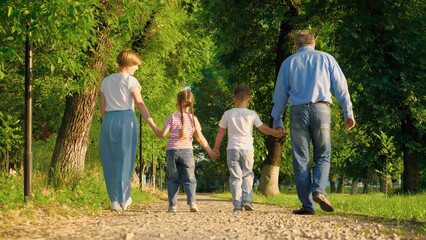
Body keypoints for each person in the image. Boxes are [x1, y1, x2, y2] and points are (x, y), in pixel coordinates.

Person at [271, 30, 356, 215]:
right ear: (314, 43)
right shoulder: (327, 59)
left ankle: (308, 206)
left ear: (296, 46)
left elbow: (280, 94)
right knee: (323, 155)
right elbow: (341, 87)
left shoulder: (288, 63)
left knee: (301, 160)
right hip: (321, 110)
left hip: (297, 112)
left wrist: (277, 119)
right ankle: (319, 190)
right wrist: (348, 112)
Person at [99, 48, 159, 212]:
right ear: (128, 64)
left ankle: (114, 200)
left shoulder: (106, 81)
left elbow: (102, 109)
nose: (137, 68)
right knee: (125, 158)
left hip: (109, 120)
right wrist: (153, 126)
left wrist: (108, 123)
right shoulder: (131, 81)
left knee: (110, 159)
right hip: (126, 119)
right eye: (136, 65)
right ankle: (124, 198)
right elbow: (140, 104)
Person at [213, 83, 283, 212]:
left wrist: (216, 148)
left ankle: (237, 205)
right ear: (249, 99)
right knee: (247, 174)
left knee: (235, 177)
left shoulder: (228, 114)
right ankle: (246, 199)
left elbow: (220, 132)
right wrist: (275, 132)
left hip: (232, 149)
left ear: (234, 98)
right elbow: (263, 129)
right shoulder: (252, 114)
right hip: (247, 150)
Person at [156, 89, 216, 213]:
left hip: (172, 152)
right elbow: (200, 138)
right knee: (190, 178)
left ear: (177, 102)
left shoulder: (172, 117)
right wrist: (210, 152)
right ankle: (192, 203)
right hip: (187, 152)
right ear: (191, 103)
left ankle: (173, 206)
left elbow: (162, 134)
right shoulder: (194, 119)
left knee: (173, 179)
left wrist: (155, 128)